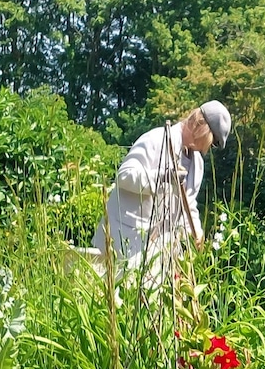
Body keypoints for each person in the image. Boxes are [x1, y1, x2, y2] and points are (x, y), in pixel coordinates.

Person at [93, 101, 231, 265]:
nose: (208, 148)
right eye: (213, 142)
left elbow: (188, 204)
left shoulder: (197, 163)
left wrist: (196, 233)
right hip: (123, 239)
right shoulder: (157, 139)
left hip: (157, 252)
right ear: (202, 128)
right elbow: (124, 176)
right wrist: (163, 177)